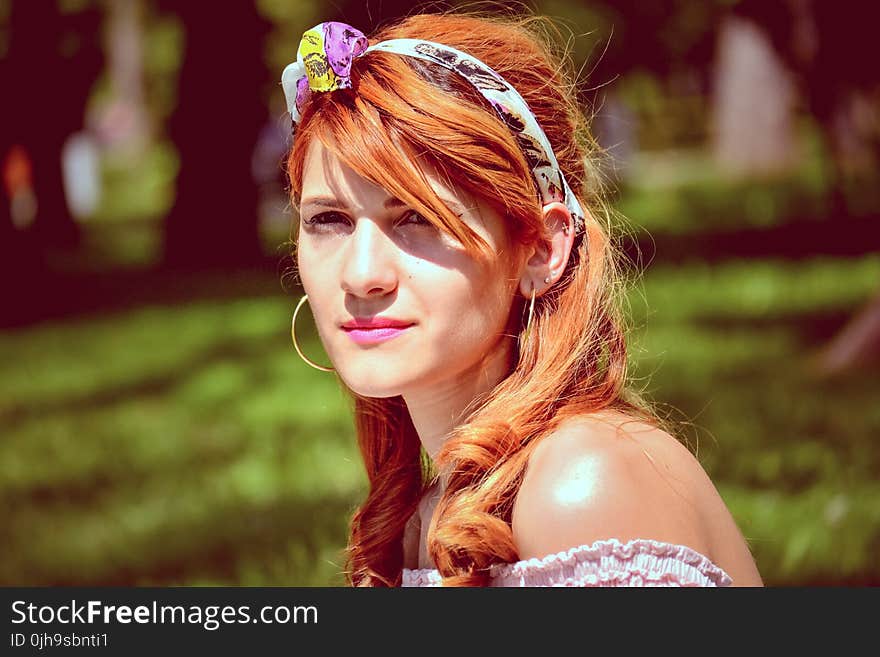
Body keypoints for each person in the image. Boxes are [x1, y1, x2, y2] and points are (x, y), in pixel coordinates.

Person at [281, 11, 764, 587]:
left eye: (416, 218)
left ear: (539, 248)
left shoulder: (582, 486)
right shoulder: (425, 517)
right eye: (329, 220)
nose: (361, 276)